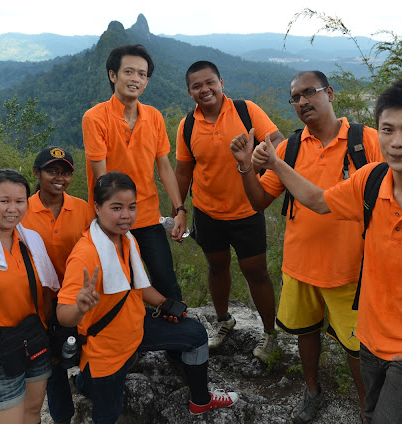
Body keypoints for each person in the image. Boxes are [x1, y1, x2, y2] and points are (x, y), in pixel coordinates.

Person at [250, 79, 402, 424]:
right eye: (387, 130)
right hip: (370, 336)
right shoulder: (371, 179)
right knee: (371, 411)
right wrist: (276, 163)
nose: (397, 142)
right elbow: (317, 200)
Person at [230, 70, 382, 422]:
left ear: (329, 93)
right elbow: (259, 201)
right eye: (295, 98)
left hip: (351, 270)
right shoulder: (290, 147)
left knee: (359, 349)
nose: (301, 102)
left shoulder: (365, 141)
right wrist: (244, 168)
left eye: (308, 93)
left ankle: (367, 410)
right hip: (300, 266)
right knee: (306, 333)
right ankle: (312, 391)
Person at [56, 171, 238, 423]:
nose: (126, 215)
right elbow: (64, 315)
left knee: (196, 335)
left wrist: (167, 304)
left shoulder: (127, 240)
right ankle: (85, 381)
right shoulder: (86, 255)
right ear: (97, 207)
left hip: (135, 328)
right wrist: (79, 307)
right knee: (108, 413)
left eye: (132, 207)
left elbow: (137, 286)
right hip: (107, 349)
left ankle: (200, 401)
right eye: (116, 207)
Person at [0, 147, 93, 424]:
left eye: (19, 202)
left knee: (33, 412)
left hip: (38, 333)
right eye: (4, 201)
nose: (13, 209)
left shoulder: (29, 239)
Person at [174, 60, 284, 360]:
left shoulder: (246, 110)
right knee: (217, 267)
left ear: (221, 81)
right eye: (197, 86)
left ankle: (269, 332)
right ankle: (224, 320)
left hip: (248, 209)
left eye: (210, 82)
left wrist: (255, 162)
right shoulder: (188, 126)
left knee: (256, 272)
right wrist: (179, 209)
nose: (204, 89)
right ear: (189, 92)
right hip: (208, 212)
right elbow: (183, 172)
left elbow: (278, 143)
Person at [82, 44, 185, 302]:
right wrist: (111, 218)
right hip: (112, 218)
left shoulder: (155, 117)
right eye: (129, 71)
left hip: (148, 215)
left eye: (142, 74)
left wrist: (180, 208)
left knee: (166, 282)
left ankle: (177, 335)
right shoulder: (95, 118)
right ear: (113, 75)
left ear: (147, 81)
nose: (136, 79)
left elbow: (164, 167)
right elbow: (102, 178)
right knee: (120, 288)